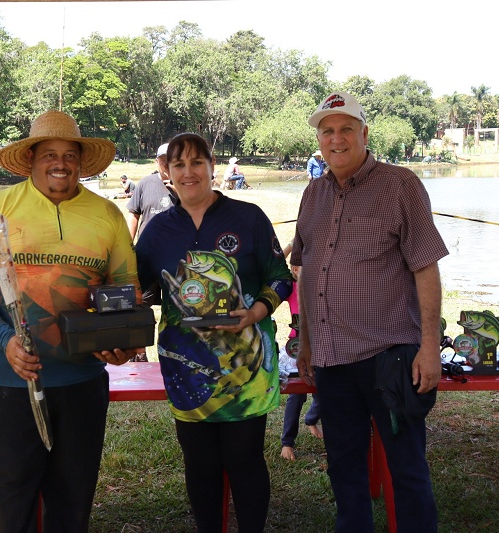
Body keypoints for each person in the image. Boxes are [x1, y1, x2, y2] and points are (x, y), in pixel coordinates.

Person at [0, 110, 143, 532]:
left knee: (73, 498)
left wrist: (122, 343)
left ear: (80, 161)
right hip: (9, 383)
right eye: (50, 154)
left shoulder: (107, 216)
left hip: (81, 383)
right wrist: (4, 338)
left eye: (70, 154)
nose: (61, 163)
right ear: (32, 159)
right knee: (11, 495)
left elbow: (127, 292)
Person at [292, 91, 447, 532]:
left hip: (389, 357)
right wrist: (305, 341)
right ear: (319, 140)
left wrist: (430, 348)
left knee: (407, 469)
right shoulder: (312, 194)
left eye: (346, 129)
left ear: (364, 133)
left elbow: (425, 266)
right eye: (327, 131)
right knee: (344, 470)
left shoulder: (401, 184)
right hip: (332, 360)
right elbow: (305, 268)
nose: (336, 139)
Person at [135, 132, 293, 532]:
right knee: (199, 463)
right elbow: (144, 289)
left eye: (196, 163)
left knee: (244, 460)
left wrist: (257, 310)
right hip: (185, 366)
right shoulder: (156, 232)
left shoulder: (248, 217)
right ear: (166, 171)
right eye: (179, 165)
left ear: (212, 165)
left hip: (247, 367)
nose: (188, 173)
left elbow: (280, 277)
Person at [279, 241, 321, 463]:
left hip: (323, 348)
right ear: (295, 270)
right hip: (296, 351)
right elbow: (275, 262)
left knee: (325, 392)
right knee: (297, 395)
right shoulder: (291, 288)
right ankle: (287, 442)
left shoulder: (322, 287)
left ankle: (312, 419)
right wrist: (291, 245)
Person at [126, 142, 175, 241]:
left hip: (176, 248)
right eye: (163, 160)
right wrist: (128, 244)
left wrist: (179, 191)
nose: (167, 164)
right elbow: (133, 214)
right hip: (146, 247)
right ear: (156, 162)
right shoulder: (145, 183)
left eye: (171, 160)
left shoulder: (186, 185)